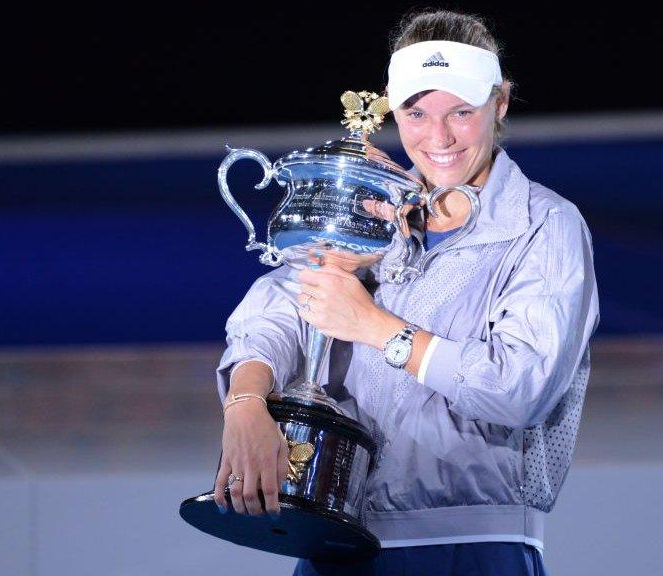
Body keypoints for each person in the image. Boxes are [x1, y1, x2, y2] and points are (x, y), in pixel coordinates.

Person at [212, 9, 599, 575]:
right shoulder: (380, 211)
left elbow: (522, 389)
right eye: (416, 113)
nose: (437, 138)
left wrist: (375, 326)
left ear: (501, 104)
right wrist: (245, 403)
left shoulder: (546, 225)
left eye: (461, 112)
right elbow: (280, 307)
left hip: (473, 550)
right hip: (334, 540)